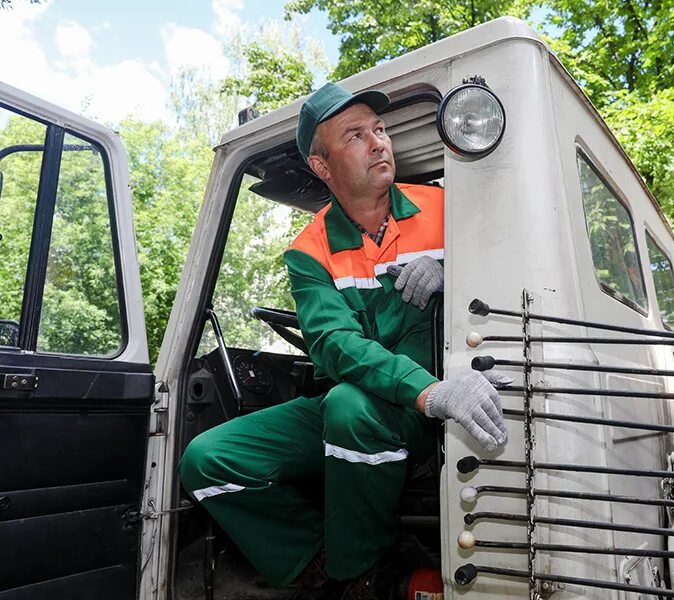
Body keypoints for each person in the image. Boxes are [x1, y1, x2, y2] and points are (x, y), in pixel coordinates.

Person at [179, 82, 510, 599]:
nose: (379, 142)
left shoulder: (445, 209)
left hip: (432, 408)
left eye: (379, 129)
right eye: (356, 135)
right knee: (207, 459)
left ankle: (360, 573)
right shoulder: (308, 251)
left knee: (349, 405)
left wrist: (457, 270)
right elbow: (334, 343)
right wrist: (429, 390)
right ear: (323, 168)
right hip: (393, 397)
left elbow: (512, 279)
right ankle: (318, 561)